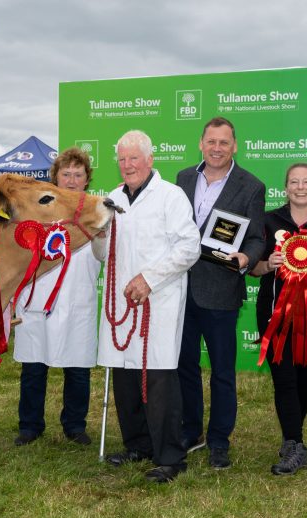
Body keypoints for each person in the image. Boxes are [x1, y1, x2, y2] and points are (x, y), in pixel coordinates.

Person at [96, 130, 200, 483]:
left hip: (159, 300)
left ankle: (170, 456)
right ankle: (136, 445)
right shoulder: (110, 199)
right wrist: (97, 238)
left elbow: (189, 247)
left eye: (134, 158)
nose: (128, 165)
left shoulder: (171, 197)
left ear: (150, 159)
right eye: (122, 159)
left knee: (158, 379)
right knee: (124, 376)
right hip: (121, 303)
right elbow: (103, 255)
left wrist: (150, 278)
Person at [175, 116, 266, 469]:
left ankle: (219, 440)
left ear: (234, 146)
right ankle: (190, 430)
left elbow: (257, 236)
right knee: (184, 365)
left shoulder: (251, 186)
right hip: (181, 288)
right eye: (211, 141)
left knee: (223, 371)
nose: (216, 148)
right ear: (201, 143)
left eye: (224, 143)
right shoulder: (183, 178)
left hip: (221, 289)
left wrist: (247, 257)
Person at [251, 163, 307, 475]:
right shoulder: (267, 220)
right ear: (286, 188)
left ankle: (293, 441)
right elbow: (253, 266)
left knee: (303, 376)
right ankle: (294, 442)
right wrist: (269, 264)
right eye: (294, 182)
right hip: (274, 313)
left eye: (306, 182)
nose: (300, 187)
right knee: (284, 376)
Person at [12, 147, 101, 447]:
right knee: (34, 366)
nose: (72, 180)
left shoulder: (96, 214)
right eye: (66, 174)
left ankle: (75, 425)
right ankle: (30, 425)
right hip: (38, 300)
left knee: (77, 369)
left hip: (78, 299)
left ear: (87, 179)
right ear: (55, 178)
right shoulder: (36, 212)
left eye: (78, 174)